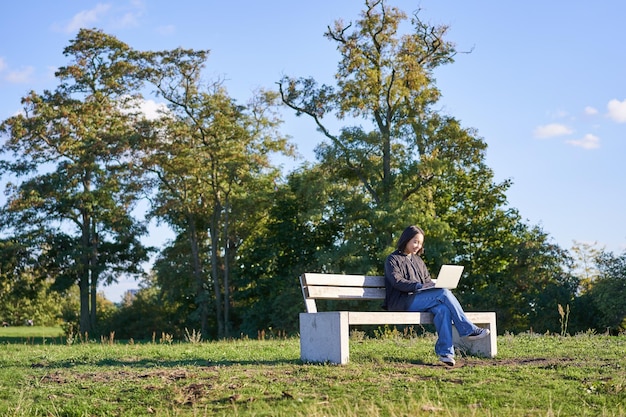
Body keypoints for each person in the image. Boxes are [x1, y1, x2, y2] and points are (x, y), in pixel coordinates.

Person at [383, 225, 490, 366]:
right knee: (444, 293)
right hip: (402, 302)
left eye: (420, 243)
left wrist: (432, 285)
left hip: (421, 300)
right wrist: (419, 286)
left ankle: (445, 353)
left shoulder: (418, 261)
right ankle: (468, 329)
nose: (418, 246)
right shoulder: (393, 259)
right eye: (415, 241)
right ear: (406, 239)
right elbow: (397, 282)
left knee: (443, 309)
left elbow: (427, 281)